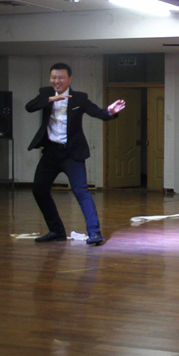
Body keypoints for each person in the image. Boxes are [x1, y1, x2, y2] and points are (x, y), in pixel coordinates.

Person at [26, 62, 126, 245]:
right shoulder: (45, 94)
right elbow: (29, 107)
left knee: (81, 192)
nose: (57, 81)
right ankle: (56, 231)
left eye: (61, 77)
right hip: (50, 152)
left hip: (71, 153)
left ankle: (94, 233)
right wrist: (51, 99)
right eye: (53, 77)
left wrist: (110, 111)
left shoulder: (79, 98)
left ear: (69, 79)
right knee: (39, 190)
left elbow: (98, 113)